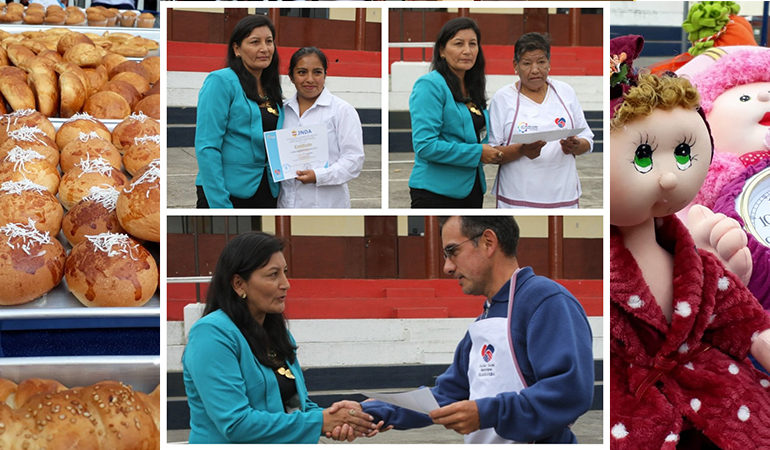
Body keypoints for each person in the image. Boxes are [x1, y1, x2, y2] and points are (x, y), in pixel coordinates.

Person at [608, 47, 770, 446]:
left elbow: (748, 326)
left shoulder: (698, 268)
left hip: (718, 398)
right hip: (633, 410)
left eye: (683, 153)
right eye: (643, 157)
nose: (668, 179)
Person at [359, 216, 594, 443]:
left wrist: (486, 412)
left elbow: (569, 391)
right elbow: (447, 395)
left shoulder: (544, 300)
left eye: (453, 252)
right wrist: (372, 411)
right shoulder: (484, 319)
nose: (447, 267)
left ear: (488, 242)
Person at [182, 232, 386, 443]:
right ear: (239, 284)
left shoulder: (277, 332)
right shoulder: (212, 334)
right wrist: (321, 421)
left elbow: (298, 407)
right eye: (273, 275)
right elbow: (236, 424)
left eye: (285, 272)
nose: (286, 284)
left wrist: (349, 418)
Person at [488, 32, 594, 209]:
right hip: (516, 199)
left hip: (563, 197)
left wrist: (576, 145)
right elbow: (492, 152)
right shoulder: (502, 98)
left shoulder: (565, 92)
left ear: (549, 63)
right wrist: (521, 150)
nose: (535, 70)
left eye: (541, 62)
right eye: (527, 63)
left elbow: (587, 139)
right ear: (516, 65)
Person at [407, 18, 504, 209]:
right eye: (458, 44)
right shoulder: (430, 85)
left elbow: (480, 135)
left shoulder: (472, 87)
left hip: (473, 190)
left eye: (473, 44)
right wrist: (478, 153)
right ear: (442, 51)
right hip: (436, 193)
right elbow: (425, 146)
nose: (467, 51)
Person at [195, 14, 283, 209]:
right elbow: (207, 146)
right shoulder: (221, 81)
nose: (264, 49)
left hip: (268, 189)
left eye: (269, 41)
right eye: (254, 42)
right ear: (237, 49)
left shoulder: (271, 87)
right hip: (226, 191)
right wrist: (219, 203)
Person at [277, 47, 364, 208]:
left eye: (317, 72)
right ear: (291, 77)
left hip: (327, 204)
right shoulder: (282, 111)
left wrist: (318, 175)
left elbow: (354, 160)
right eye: (302, 72)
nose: (310, 79)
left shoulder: (341, 110)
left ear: (325, 75)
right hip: (287, 203)